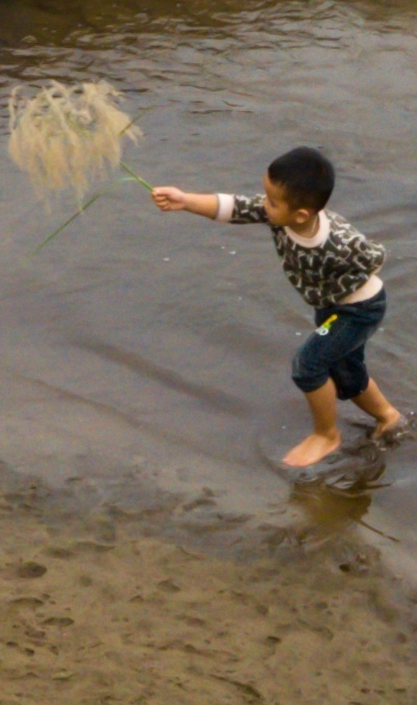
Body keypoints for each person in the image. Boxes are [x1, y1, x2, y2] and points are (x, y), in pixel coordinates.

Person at [150, 146, 402, 472]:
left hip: (359, 309)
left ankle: (326, 434)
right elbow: (235, 207)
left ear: (302, 214)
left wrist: (345, 289)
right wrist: (185, 200)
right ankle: (388, 417)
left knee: (308, 366)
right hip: (330, 308)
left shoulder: (337, 242)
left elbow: (375, 257)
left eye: (271, 201)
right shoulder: (281, 215)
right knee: (346, 373)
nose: (263, 204)